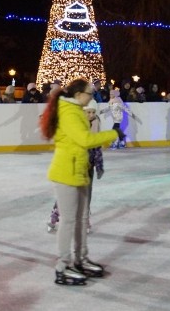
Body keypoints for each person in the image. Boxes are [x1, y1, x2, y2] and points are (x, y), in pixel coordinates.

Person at [40, 78, 120, 286]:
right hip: (66, 172)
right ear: (78, 95)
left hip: (79, 170)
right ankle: (63, 265)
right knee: (68, 221)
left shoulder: (76, 111)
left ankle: (80, 259)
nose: (92, 97)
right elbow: (84, 140)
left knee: (82, 218)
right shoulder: (69, 112)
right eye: (89, 93)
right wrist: (113, 134)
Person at [47, 102, 105, 234]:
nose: (91, 115)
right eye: (88, 112)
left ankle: (85, 220)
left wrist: (99, 165)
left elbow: (97, 147)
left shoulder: (96, 124)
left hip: (88, 167)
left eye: (93, 112)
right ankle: (55, 216)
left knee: (86, 196)